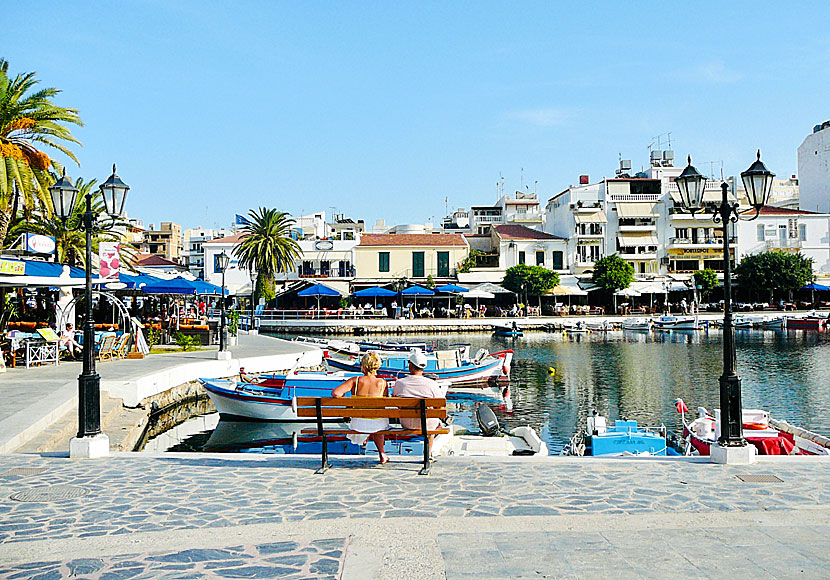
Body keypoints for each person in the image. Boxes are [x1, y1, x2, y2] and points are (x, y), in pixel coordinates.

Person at [331, 352, 390, 464]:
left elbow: (336, 393)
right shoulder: (382, 383)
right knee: (378, 423)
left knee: (368, 420)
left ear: (363, 365)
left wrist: (347, 401)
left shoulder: (355, 381)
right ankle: (382, 453)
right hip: (378, 424)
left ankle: (364, 440)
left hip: (358, 423)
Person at [392, 350, 445, 449]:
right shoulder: (432, 384)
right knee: (436, 423)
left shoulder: (399, 383)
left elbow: (395, 402)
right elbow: (440, 406)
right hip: (427, 424)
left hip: (406, 423)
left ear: (410, 366)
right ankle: (428, 454)